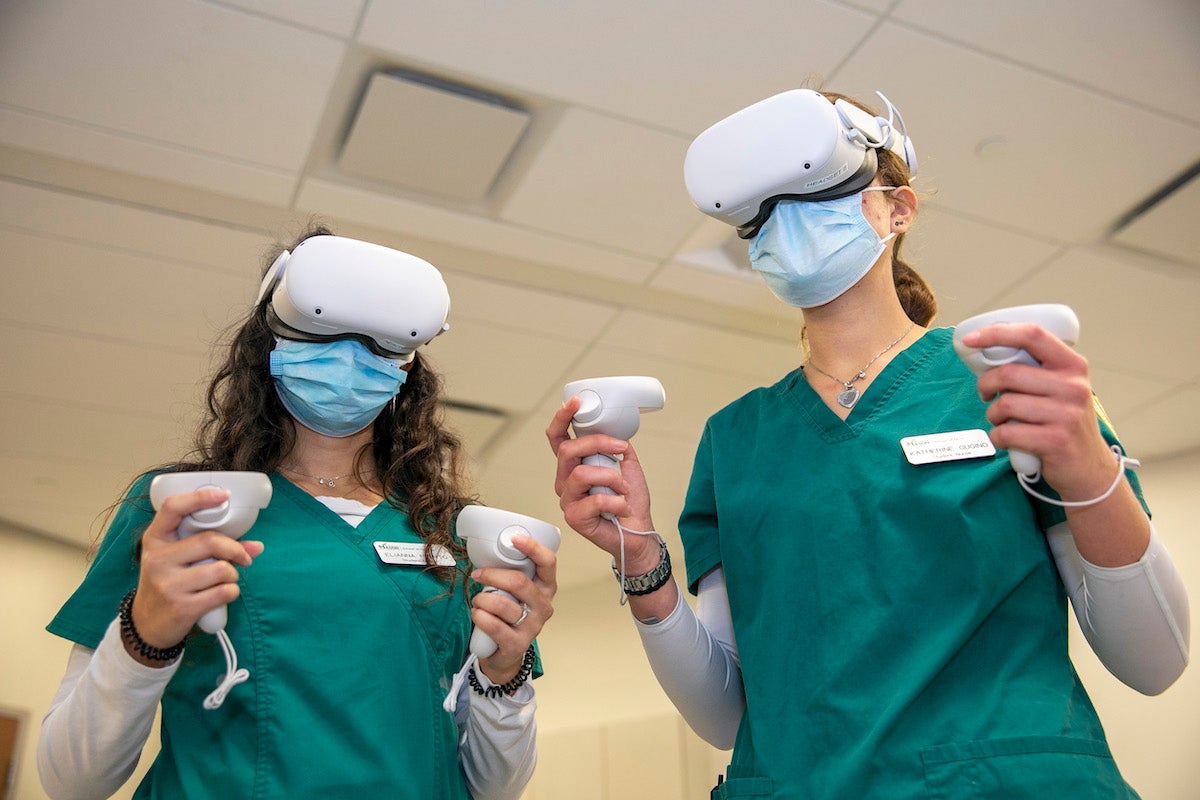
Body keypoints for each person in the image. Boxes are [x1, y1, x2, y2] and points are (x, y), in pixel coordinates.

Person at [547, 89, 1189, 799]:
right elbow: (729, 715)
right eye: (760, 212)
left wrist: (1087, 468)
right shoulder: (736, 441)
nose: (784, 221)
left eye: (815, 190)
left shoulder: (1007, 380)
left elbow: (1152, 659)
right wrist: (641, 559)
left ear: (898, 207)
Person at [38, 225, 557, 800]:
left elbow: (496, 788)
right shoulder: (184, 509)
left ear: (408, 367)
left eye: (377, 344)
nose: (350, 358)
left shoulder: (458, 536)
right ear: (271, 340)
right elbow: (71, 781)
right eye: (324, 333)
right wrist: (145, 637)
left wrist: (503, 678)